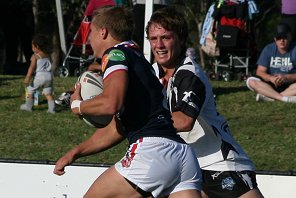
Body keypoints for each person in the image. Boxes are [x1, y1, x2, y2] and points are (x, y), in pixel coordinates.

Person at [53, 6, 202, 198]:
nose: (89, 40)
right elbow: (118, 128)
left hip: (152, 152)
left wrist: (77, 105)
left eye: (91, 33)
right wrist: (75, 152)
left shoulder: (115, 54)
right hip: (182, 156)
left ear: (103, 32)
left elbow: (110, 104)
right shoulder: (138, 59)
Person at [146, 6, 264, 198]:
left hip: (219, 162)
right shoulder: (151, 73)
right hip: (186, 165)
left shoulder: (189, 74)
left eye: (166, 37)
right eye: (153, 39)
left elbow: (184, 121)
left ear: (181, 39)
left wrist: (143, 121)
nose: (159, 45)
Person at [247, 22, 296, 103]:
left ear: (290, 37)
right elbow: (260, 72)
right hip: (271, 84)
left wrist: (286, 77)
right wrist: (271, 78)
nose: (281, 40)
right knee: (251, 81)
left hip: (291, 83)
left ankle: (271, 98)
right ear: (275, 39)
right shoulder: (268, 49)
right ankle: (283, 98)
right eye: (279, 37)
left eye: (284, 37)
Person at [20, 34, 55, 114]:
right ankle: (51, 109)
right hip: (49, 76)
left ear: (37, 47)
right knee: (48, 93)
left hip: (40, 76)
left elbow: (31, 68)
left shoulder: (35, 56)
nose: (32, 49)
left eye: (32, 47)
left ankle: (28, 107)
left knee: (30, 90)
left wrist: (27, 77)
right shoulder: (47, 55)